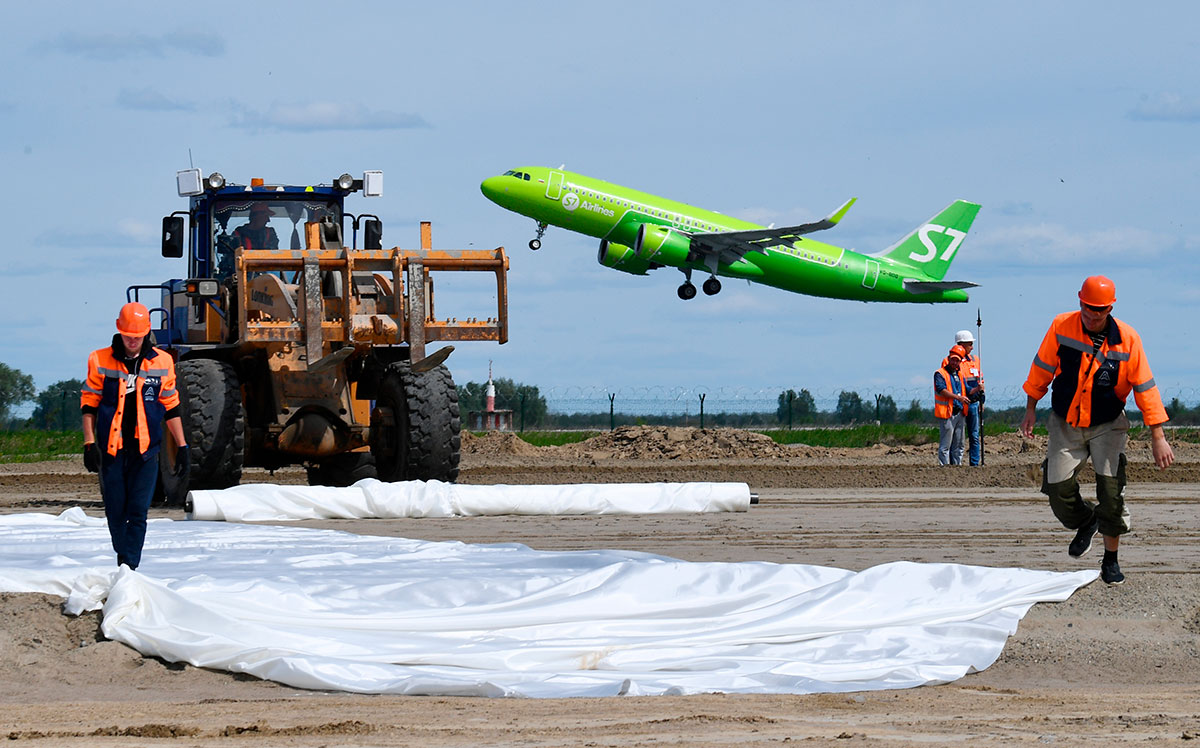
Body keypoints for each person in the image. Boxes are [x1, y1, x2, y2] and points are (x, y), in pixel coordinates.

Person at [1019, 276, 1173, 585]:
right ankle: (1087, 520)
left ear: (1110, 307)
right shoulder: (1061, 326)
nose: (1092, 314)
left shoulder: (1128, 340)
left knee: (1111, 493)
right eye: (1088, 307)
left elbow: (1145, 388)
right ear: (1079, 301)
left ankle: (1110, 561)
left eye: (1099, 310)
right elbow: (1042, 368)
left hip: (1108, 426)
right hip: (1065, 423)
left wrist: (1158, 435)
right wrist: (1031, 408)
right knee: (1058, 490)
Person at [81, 302, 190, 570]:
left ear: (146, 334)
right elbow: (88, 404)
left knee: (138, 512)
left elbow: (171, 406)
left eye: (138, 336)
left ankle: (129, 567)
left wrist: (183, 446)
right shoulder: (99, 359)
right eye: (128, 335)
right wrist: (89, 444)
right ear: (119, 331)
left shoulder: (163, 362)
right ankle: (124, 558)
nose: (132, 341)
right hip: (112, 449)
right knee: (115, 512)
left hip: (146, 450)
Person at [934, 345, 971, 466]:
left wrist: (977, 390)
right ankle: (944, 466)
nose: (955, 362)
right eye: (953, 359)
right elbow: (941, 390)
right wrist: (958, 397)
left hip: (959, 412)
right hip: (947, 413)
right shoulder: (940, 374)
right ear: (949, 359)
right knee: (946, 444)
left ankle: (957, 465)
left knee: (959, 443)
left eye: (957, 360)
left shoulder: (959, 375)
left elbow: (966, 389)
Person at [954, 330, 985, 466]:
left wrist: (982, 401)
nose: (972, 347)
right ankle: (955, 463)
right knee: (958, 437)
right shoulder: (954, 361)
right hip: (959, 403)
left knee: (974, 435)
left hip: (973, 402)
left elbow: (981, 381)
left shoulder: (975, 360)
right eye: (970, 344)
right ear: (961, 345)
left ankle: (974, 463)